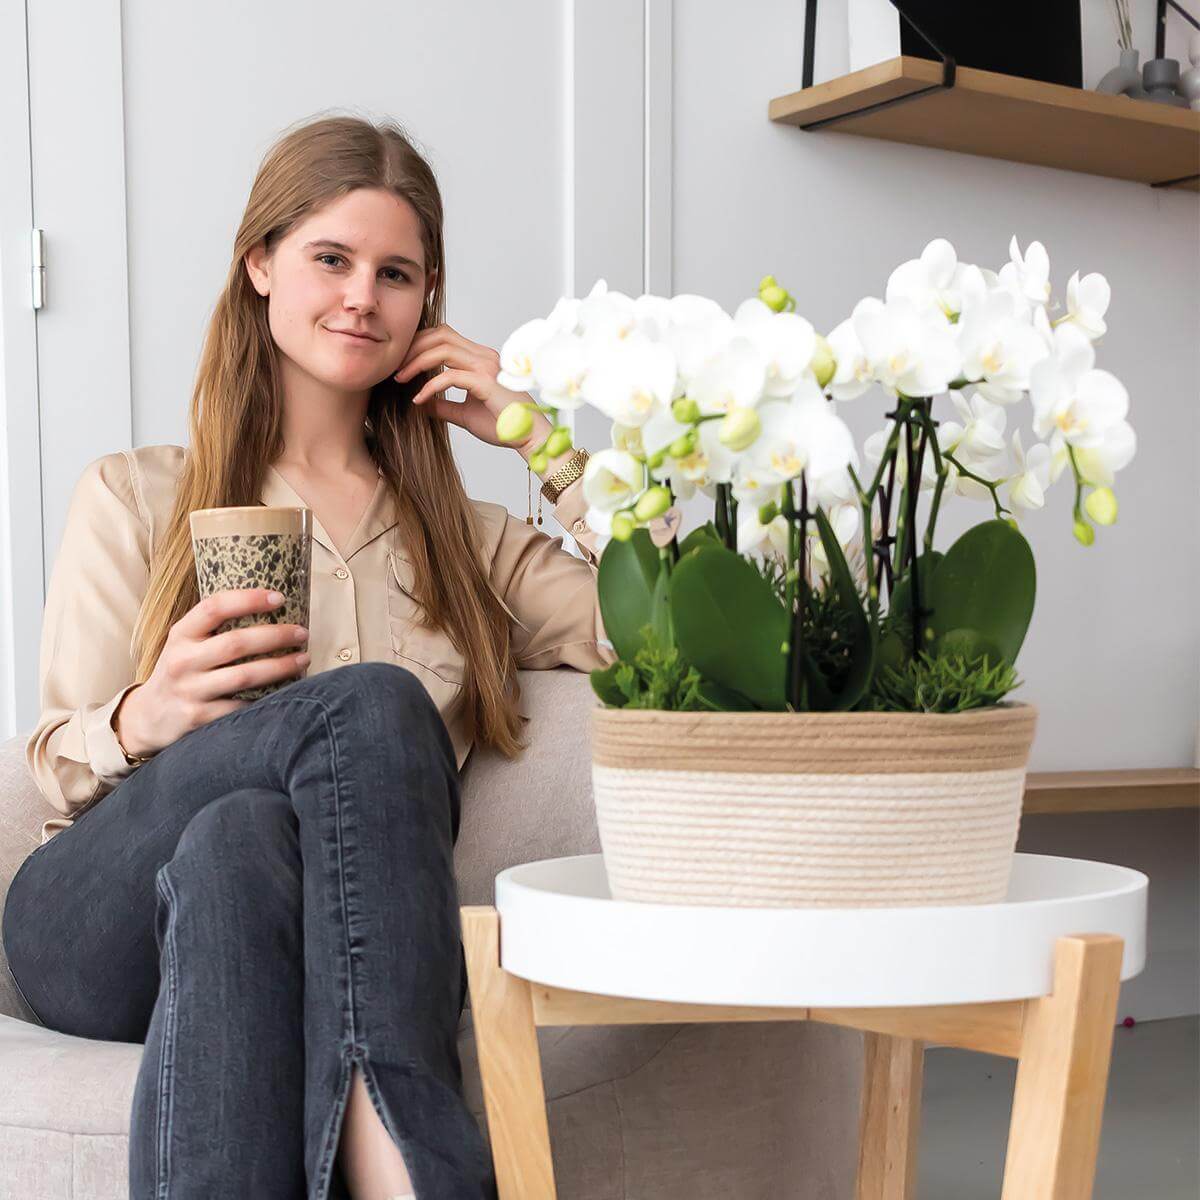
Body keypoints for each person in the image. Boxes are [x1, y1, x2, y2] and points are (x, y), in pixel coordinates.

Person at [1, 113, 615, 1200]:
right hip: (92, 919)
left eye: (397, 274)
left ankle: (378, 1123)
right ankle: (400, 1139)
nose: (361, 297)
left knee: (241, 844)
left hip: (258, 913)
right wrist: (150, 713)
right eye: (330, 258)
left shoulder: (469, 542)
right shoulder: (136, 495)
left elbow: (685, 637)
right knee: (372, 704)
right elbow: (48, 764)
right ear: (260, 265)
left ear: (428, 303)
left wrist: (545, 442)